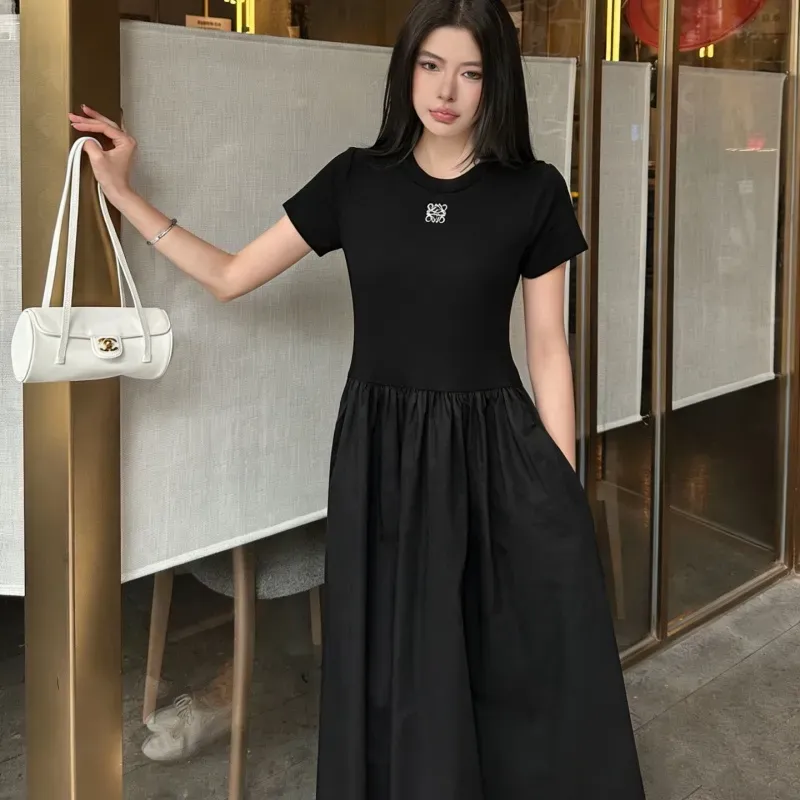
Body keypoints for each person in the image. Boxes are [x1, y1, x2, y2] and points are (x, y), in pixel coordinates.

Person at [69, 0, 646, 796]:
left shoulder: (534, 191)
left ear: (497, 84)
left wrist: (561, 484)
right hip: (382, 452)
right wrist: (125, 194)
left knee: (504, 653)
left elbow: (549, 347)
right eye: (431, 66)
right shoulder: (356, 180)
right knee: (397, 654)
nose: (446, 90)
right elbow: (232, 276)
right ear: (407, 69)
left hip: (495, 449)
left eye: (471, 72)